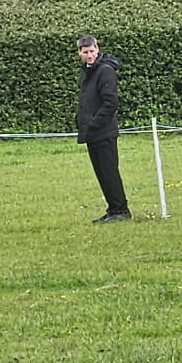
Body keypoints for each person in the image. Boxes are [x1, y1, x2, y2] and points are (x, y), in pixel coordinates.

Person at [76, 34, 130, 222]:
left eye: (92, 51)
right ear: (80, 53)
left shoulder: (105, 71)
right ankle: (113, 208)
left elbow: (110, 103)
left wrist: (93, 123)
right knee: (101, 173)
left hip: (104, 131)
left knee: (109, 171)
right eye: (85, 52)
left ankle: (121, 210)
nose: (89, 55)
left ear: (97, 49)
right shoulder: (87, 72)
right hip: (91, 133)